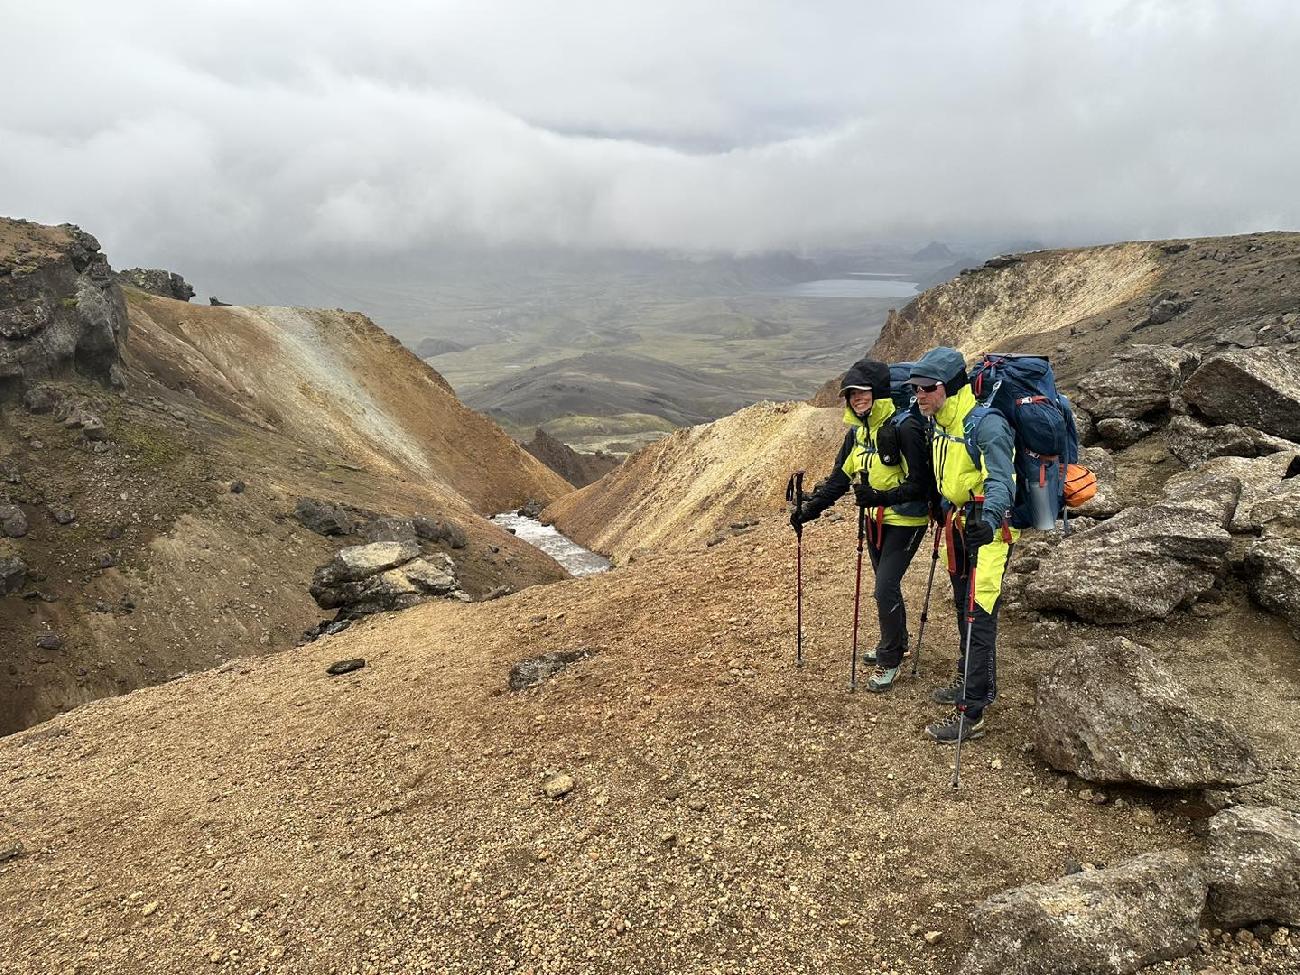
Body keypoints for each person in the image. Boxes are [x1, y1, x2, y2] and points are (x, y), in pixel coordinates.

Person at [789, 358, 932, 692]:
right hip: (875, 520)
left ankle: (890, 658)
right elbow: (839, 479)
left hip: (907, 520)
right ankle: (899, 641)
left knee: (883, 588)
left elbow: (922, 485)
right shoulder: (857, 433)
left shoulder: (905, 427)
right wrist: (810, 510)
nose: (857, 399)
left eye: (863, 392)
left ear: (879, 392)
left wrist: (879, 498)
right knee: (886, 588)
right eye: (851, 394)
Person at [906, 347, 1017, 744]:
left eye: (926, 388)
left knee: (978, 613)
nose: (918, 395)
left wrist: (988, 522)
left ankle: (973, 711)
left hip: (989, 531)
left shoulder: (984, 425)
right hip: (959, 524)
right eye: (915, 389)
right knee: (961, 606)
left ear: (949, 388)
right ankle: (965, 679)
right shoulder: (942, 422)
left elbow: (1002, 480)